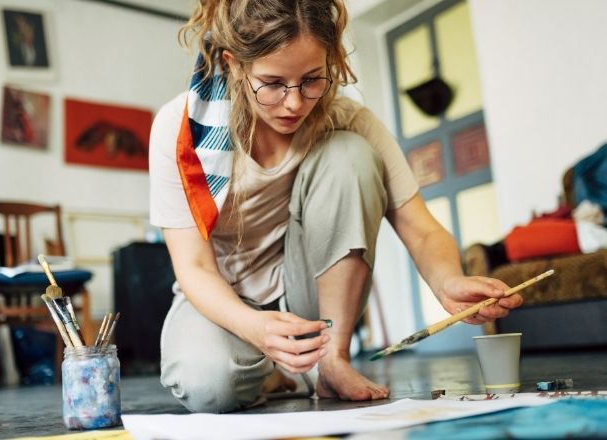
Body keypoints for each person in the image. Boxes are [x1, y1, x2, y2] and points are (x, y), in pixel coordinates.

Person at [149, 0, 523, 414]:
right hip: (223, 295)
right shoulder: (179, 128)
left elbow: (420, 227)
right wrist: (254, 328)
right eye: (272, 83)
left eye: (312, 79)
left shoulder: (346, 118)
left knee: (352, 154)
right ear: (234, 64)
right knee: (208, 387)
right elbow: (195, 268)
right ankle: (276, 371)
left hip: (310, 295)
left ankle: (332, 359)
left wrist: (448, 280)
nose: (294, 103)